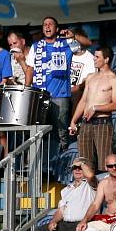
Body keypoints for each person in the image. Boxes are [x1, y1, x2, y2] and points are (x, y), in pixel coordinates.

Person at [69, 47, 116, 171]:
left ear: (106, 59)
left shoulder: (113, 79)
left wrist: (96, 108)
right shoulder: (90, 77)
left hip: (102, 123)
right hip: (86, 123)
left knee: (105, 162)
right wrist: (73, 120)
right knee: (84, 163)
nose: (94, 58)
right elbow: (83, 100)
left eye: (97, 57)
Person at [29, 17, 75, 149]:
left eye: (51, 24)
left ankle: (64, 161)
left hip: (60, 95)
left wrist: (73, 36)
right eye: (45, 24)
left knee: (61, 132)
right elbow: (30, 69)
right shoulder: (36, 46)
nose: (47, 26)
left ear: (57, 29)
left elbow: (85, 44)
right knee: (41, 131)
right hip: (41, 95)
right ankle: (45, 164)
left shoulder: (66, 44)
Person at [34, 157, 97, 231]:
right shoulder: (66, 190)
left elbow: (90, 176)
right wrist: (54, 221)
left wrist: (82, 163)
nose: (77, 170)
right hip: (66, 224)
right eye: (75, 168)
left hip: (83, 223)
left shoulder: (90, 185)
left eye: (80, 168)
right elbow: (60, 210)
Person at [77, 154, 116, 231]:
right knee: (83, 229)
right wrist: (84, 220)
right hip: (107, 220)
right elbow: (95, 204)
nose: (114, 168)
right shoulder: (103, 183)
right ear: (106, 167)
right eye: (110, 166)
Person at [69, 28, 96, 112]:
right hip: (63, 92)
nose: (71, 43)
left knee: (77, 95)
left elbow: (87, 80)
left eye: (74, 40)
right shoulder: (66, 54)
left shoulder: (90, 58)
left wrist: (75, 88)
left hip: (79, 92)